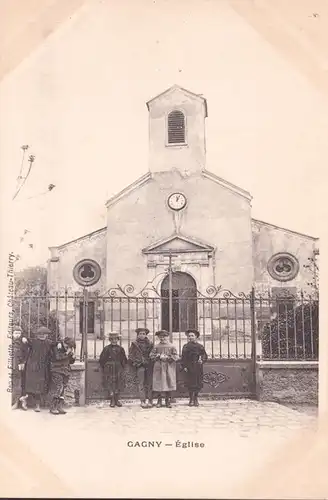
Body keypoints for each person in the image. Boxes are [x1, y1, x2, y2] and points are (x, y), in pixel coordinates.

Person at [19, 326, 53, 412]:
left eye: (44, 334)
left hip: (42, 367)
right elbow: (25, 342)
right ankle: (25, 400)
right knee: (30, 385)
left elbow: (57, 345)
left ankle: (37, 405)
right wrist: (24, 338)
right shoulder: (33, 341)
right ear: (37, 335)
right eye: (40, 334)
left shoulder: (49, 342)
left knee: (40, 386)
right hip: (32, 367)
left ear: (47, 335)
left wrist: (60, 343)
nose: (42, 335)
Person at [150, 330, 179, 408]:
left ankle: (167, 401)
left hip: (168, 367)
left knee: (168, 382)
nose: (162, 338)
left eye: (164, 336)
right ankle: (159, 401)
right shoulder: (156, 346)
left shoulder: (172, 346)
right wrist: (158, 356)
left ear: (167, 337)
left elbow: (176, 356)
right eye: (161, 337)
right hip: (159, 367)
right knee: (159, 383)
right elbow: (151, 356)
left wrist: (168, 357)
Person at [48, 337, 76, 415]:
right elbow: (58, 357)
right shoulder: (57, 347)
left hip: (66, 371)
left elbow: (70, 361)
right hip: (57, 370)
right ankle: (53, 407)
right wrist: (67, 353)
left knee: (63, 388)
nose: (68, 348)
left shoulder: (68, 349)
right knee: (57, 388)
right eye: (67, 346)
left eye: (70, 347)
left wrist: (73, 357)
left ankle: (59, 407)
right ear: (64, 343)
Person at [181, 328, 208, 407]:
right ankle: (191, 399)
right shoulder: (186, 346)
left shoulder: (200, 346)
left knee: (197, 383)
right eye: (189, 336)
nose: (190, 337)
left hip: (198, 367)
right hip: (189, 367)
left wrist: (202, 360)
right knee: (190, 383)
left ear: (196, 337)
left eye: (192, 336)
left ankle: (196, 398)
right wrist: (184, 366)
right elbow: (183, 357)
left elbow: (204, 355)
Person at [99, 332, 127, 407]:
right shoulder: (106, 349)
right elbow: (102, 359)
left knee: (118, 383)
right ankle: (112, 400)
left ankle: (117, 399)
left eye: (115, 339)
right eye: (112, 339)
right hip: (109, 368)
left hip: (118, 368)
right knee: (110, 383)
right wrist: (106, 366)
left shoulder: (121, 349)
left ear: (118, 339)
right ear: (110, 340)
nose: (114, 341)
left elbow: (124, 359)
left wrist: (122, 367)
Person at [128, 327, 153, 408]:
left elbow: (153, 354)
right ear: (137, 335)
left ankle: (150, 400)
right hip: (140, 366)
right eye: (140, 334)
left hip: (149, 366)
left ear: (146, 335)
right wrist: (136, 363)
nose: (142, 335)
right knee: (141, 383)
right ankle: (142, 400)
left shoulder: (150, 344)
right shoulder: (134, 344)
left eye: (143, 334)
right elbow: (131, 355)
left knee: (149, 383)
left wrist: (150, 361)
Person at [11, 326, 28, 410]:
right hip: (11, 366)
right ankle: (14, 402)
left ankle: (19, 402)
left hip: (19, 366)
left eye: (19, 333)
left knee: (20, 384)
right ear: (12, 333)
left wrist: (23, 363)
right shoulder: (8, 342)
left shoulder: (23, 342)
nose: (17, 335)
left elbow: (26, 354)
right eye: (15, 333)